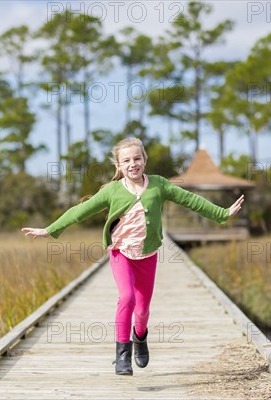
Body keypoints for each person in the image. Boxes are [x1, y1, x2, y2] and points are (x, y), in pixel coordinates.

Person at [21, 137, 244, 376]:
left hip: (147, 255)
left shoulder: (159, 185)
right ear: (118, 165)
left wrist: (222, 213)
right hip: (121, 252)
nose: (133, 164)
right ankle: (122, 356)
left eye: (137, 158)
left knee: (143, 310)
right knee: (126, 297)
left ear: (144, 160)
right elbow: (79, 212)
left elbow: (190, 200)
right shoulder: (112, 191)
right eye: (126, 160)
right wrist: (50, 229)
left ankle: (140, 338)